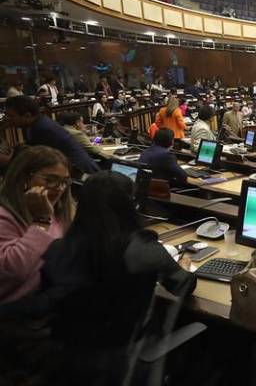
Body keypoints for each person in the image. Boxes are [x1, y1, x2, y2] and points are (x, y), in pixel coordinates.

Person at [3, 171, 195, 384]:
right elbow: (184, 286)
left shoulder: (58, 248)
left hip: (64, 361)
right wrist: (182, 265)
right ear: (129, 205)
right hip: (126, 363)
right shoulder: (142, 249)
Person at [0, 146, 73, 303]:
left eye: (64, 182)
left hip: (48, 302)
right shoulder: (4, 215)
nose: (60, 189)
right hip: (14, 313)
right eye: (51, 180)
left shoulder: (58, 211)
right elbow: (13, 271)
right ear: (24, 178)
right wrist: (41, 221)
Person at [4, 96, 99, 174]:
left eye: (11, 116)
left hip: (80, 173)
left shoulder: (42, 128)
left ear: (27, 115)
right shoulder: (35, 123)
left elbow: (37, 161)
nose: (7, 119)